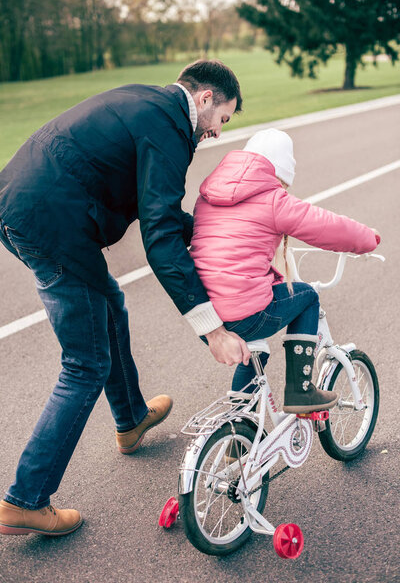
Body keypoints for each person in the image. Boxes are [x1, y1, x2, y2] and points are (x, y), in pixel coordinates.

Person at [0, 59, 251, 537]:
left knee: (109, 303)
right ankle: (24, 500)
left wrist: (212, 235)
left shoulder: (149, 103)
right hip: (50, 222)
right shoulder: (171, 132)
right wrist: (213, 329)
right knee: (85, 363)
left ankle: (130, 419)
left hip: (21, 203)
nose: (218, 131)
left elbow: (156, 208)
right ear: (204, 100)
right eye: (223, 118)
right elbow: (159, 236)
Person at [190, 128, 381, 413]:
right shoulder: (273, 200)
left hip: (207, 315)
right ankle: (300, 392)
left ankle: (238, 432)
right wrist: (368, 238)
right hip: (243, 310)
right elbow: (325, 226)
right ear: (279, 171)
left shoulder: (208, 195)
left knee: (255, 351)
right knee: (306, 296)